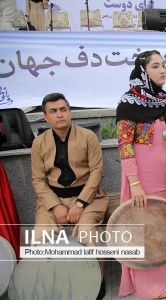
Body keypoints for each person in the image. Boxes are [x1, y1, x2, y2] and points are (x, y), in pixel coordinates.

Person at [116, 50, 166, 299]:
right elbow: (125, 146)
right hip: (142, 179)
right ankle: (145, 283)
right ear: (143, 71)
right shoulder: (128, 103)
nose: (162, 70)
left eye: (163, 65)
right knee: (142, 229)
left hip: (165, 177)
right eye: (155, 66)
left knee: (163, 226)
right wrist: (134, 183)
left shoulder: (165, 102)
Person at [31, 93, 108, 299]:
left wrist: (80, 204)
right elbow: (38, 180)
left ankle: (96, 283)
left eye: (63, 109)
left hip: (88, 198)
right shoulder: (39, 143)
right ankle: (58, 285)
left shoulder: (88, 137)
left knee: (87, 236)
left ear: (70, 112)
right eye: (53, 111)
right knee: (39, 240)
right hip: (53, 200)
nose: (60, 115)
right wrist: (55, 206)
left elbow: (97, 172)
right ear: (46, 117)